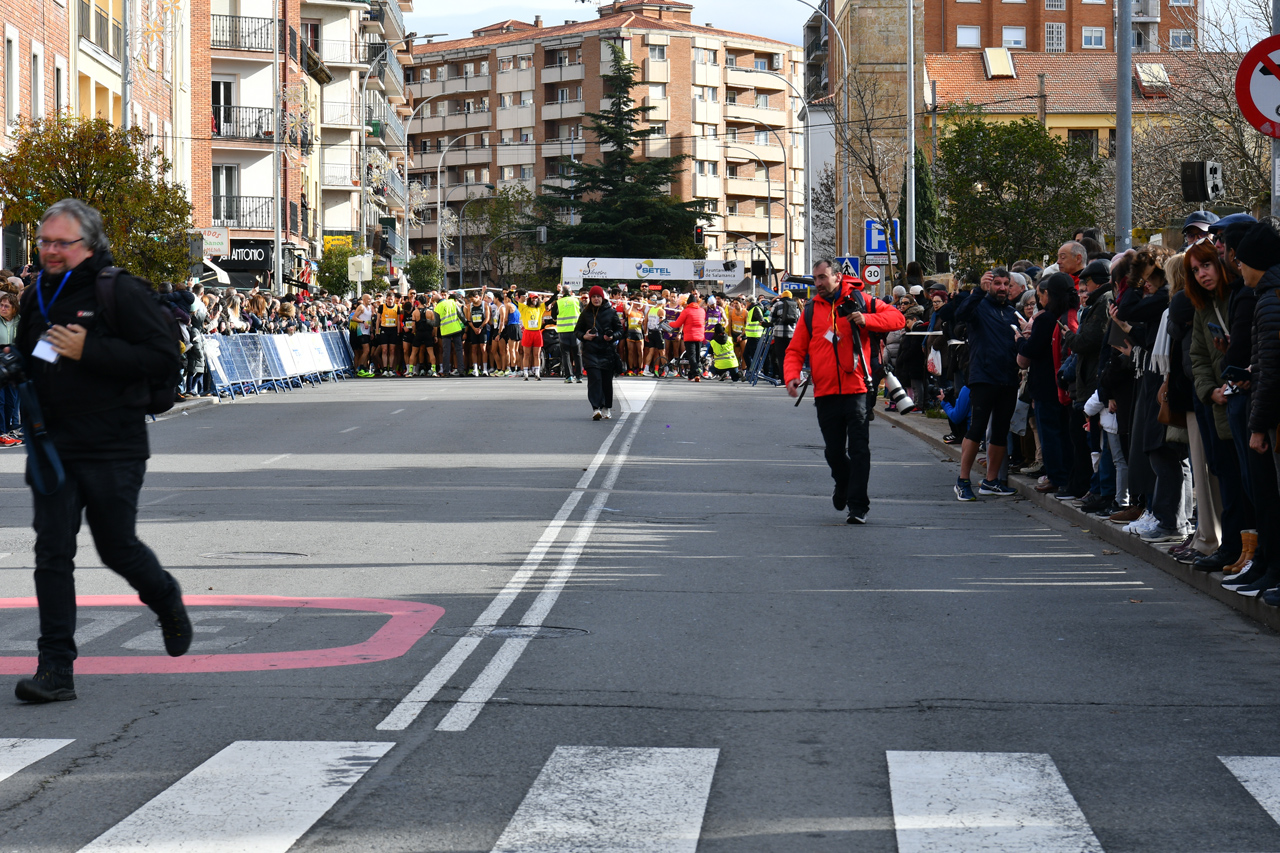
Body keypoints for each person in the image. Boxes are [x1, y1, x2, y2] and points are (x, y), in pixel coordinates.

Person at [7, 199, 192, 702]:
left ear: (88, 244)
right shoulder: (37, 294)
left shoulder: (119, 290)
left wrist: (89, 350)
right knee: (52, 552)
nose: (49, 251)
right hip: (52, 445)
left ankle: (165, 598)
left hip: (113, 443)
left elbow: (164, 358)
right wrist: (16, 363)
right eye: (44, 241)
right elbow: (36, 350)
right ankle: (55, 669)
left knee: (116, 547)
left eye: (61, 243)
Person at [784, 259, 905, 524]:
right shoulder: (810, 310)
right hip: (825, 392)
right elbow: (795, 350)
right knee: (834, 452)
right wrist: (792, 376)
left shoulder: (861, 300)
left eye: (822, 277)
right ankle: (844, 483)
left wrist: (867, 319)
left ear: (838, 277)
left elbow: (898, 319)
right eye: (815, 278)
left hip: (857, 388)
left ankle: (858, 506)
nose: (818, 283)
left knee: (860, 449)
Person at [951, 267, 1022, 501]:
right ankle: (963, 480)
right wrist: (978, 292)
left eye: (1006, 284)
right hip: (983, 377)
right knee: (977, 428)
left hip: (1008, 378)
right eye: (997, 283)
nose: (1002, 288)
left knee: (1000, 430)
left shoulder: (1012, 312)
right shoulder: (978, 307)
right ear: (989, 285)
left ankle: (991, 481)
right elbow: (961, 314)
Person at [576, 286, 622, 419]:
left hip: (607, 352)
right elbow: (577, 331)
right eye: (594, 297)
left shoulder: (611, 312)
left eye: (598, 297)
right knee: (594, 379)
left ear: (603, 298)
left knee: (606, 381)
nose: (596, 299)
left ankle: (606, 407)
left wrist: (612, 337)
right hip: (590, 351)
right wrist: (584, 336)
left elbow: (620, 331)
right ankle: (596, 408)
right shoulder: (585, 313)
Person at [670, 290, 707, 381]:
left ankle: (696, 374)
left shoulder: (686, 311)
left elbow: (677, 324)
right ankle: (691, 375)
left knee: (691, 356)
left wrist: (669, 323)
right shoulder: (702, 311)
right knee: (697, 356)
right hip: (700, 336)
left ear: (688, 303)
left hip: (689, 337)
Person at [0, 291, 21, 445]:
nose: (3, 308)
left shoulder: (20, 321)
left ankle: (7, 431)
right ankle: (1, 432)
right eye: (1, 305)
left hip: (14, 362)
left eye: (6, 306)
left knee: (11, 401)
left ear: (14, 308)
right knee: (0, 400)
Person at [553, 285, 583, 384]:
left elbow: (553, 316)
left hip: (563, 331)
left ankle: (569, 376)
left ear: (562, 293)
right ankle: (579, 376)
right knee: (577, 354)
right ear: (571, 292)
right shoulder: (577, 301)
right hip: (575, 331)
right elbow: (583, 313)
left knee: (565, 354)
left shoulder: (558, 302)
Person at [435, 290, 465, 376]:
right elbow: (461, 315)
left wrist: (428, 321)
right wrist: (466, 323)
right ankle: (461, 370)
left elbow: (436, 323)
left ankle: (446, 371)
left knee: (446, 351)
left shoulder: (437, 307)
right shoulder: (452, 302)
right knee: (459, 350)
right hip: (456, 329)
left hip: (445, 331)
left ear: (436, 301)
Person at [517, 291, 545, 380]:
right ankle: (525, 373)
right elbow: (514, 301)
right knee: (526, 354)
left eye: (536, 298)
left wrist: (557, 292)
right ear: (530, 299)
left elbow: (549, 301)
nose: (534, 299)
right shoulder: (524, 308)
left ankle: (537, 373)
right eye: (533, 298)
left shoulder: (540, 308)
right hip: (528, 332)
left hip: (537, 332)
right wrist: (512, 292)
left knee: (537, 354)